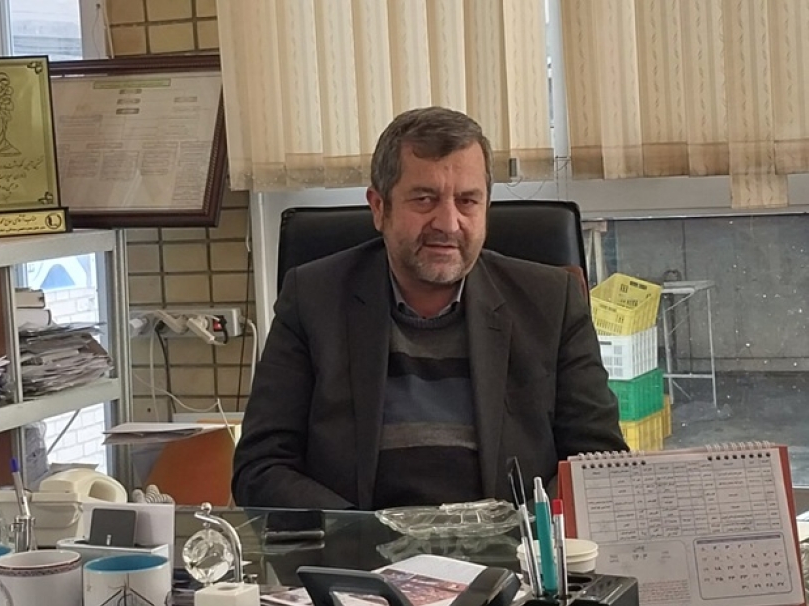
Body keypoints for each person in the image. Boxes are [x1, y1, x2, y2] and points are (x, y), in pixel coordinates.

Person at [233, 106, 626, 510]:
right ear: (379, 207)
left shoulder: (551, 302)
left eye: (468, 201)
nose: (449, 223)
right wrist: (361, 536)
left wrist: (521, 535)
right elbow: (261, 468)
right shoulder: (313, 299)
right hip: (360, 546)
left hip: (509, 547)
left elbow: (598, 466)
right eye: (424, 199)